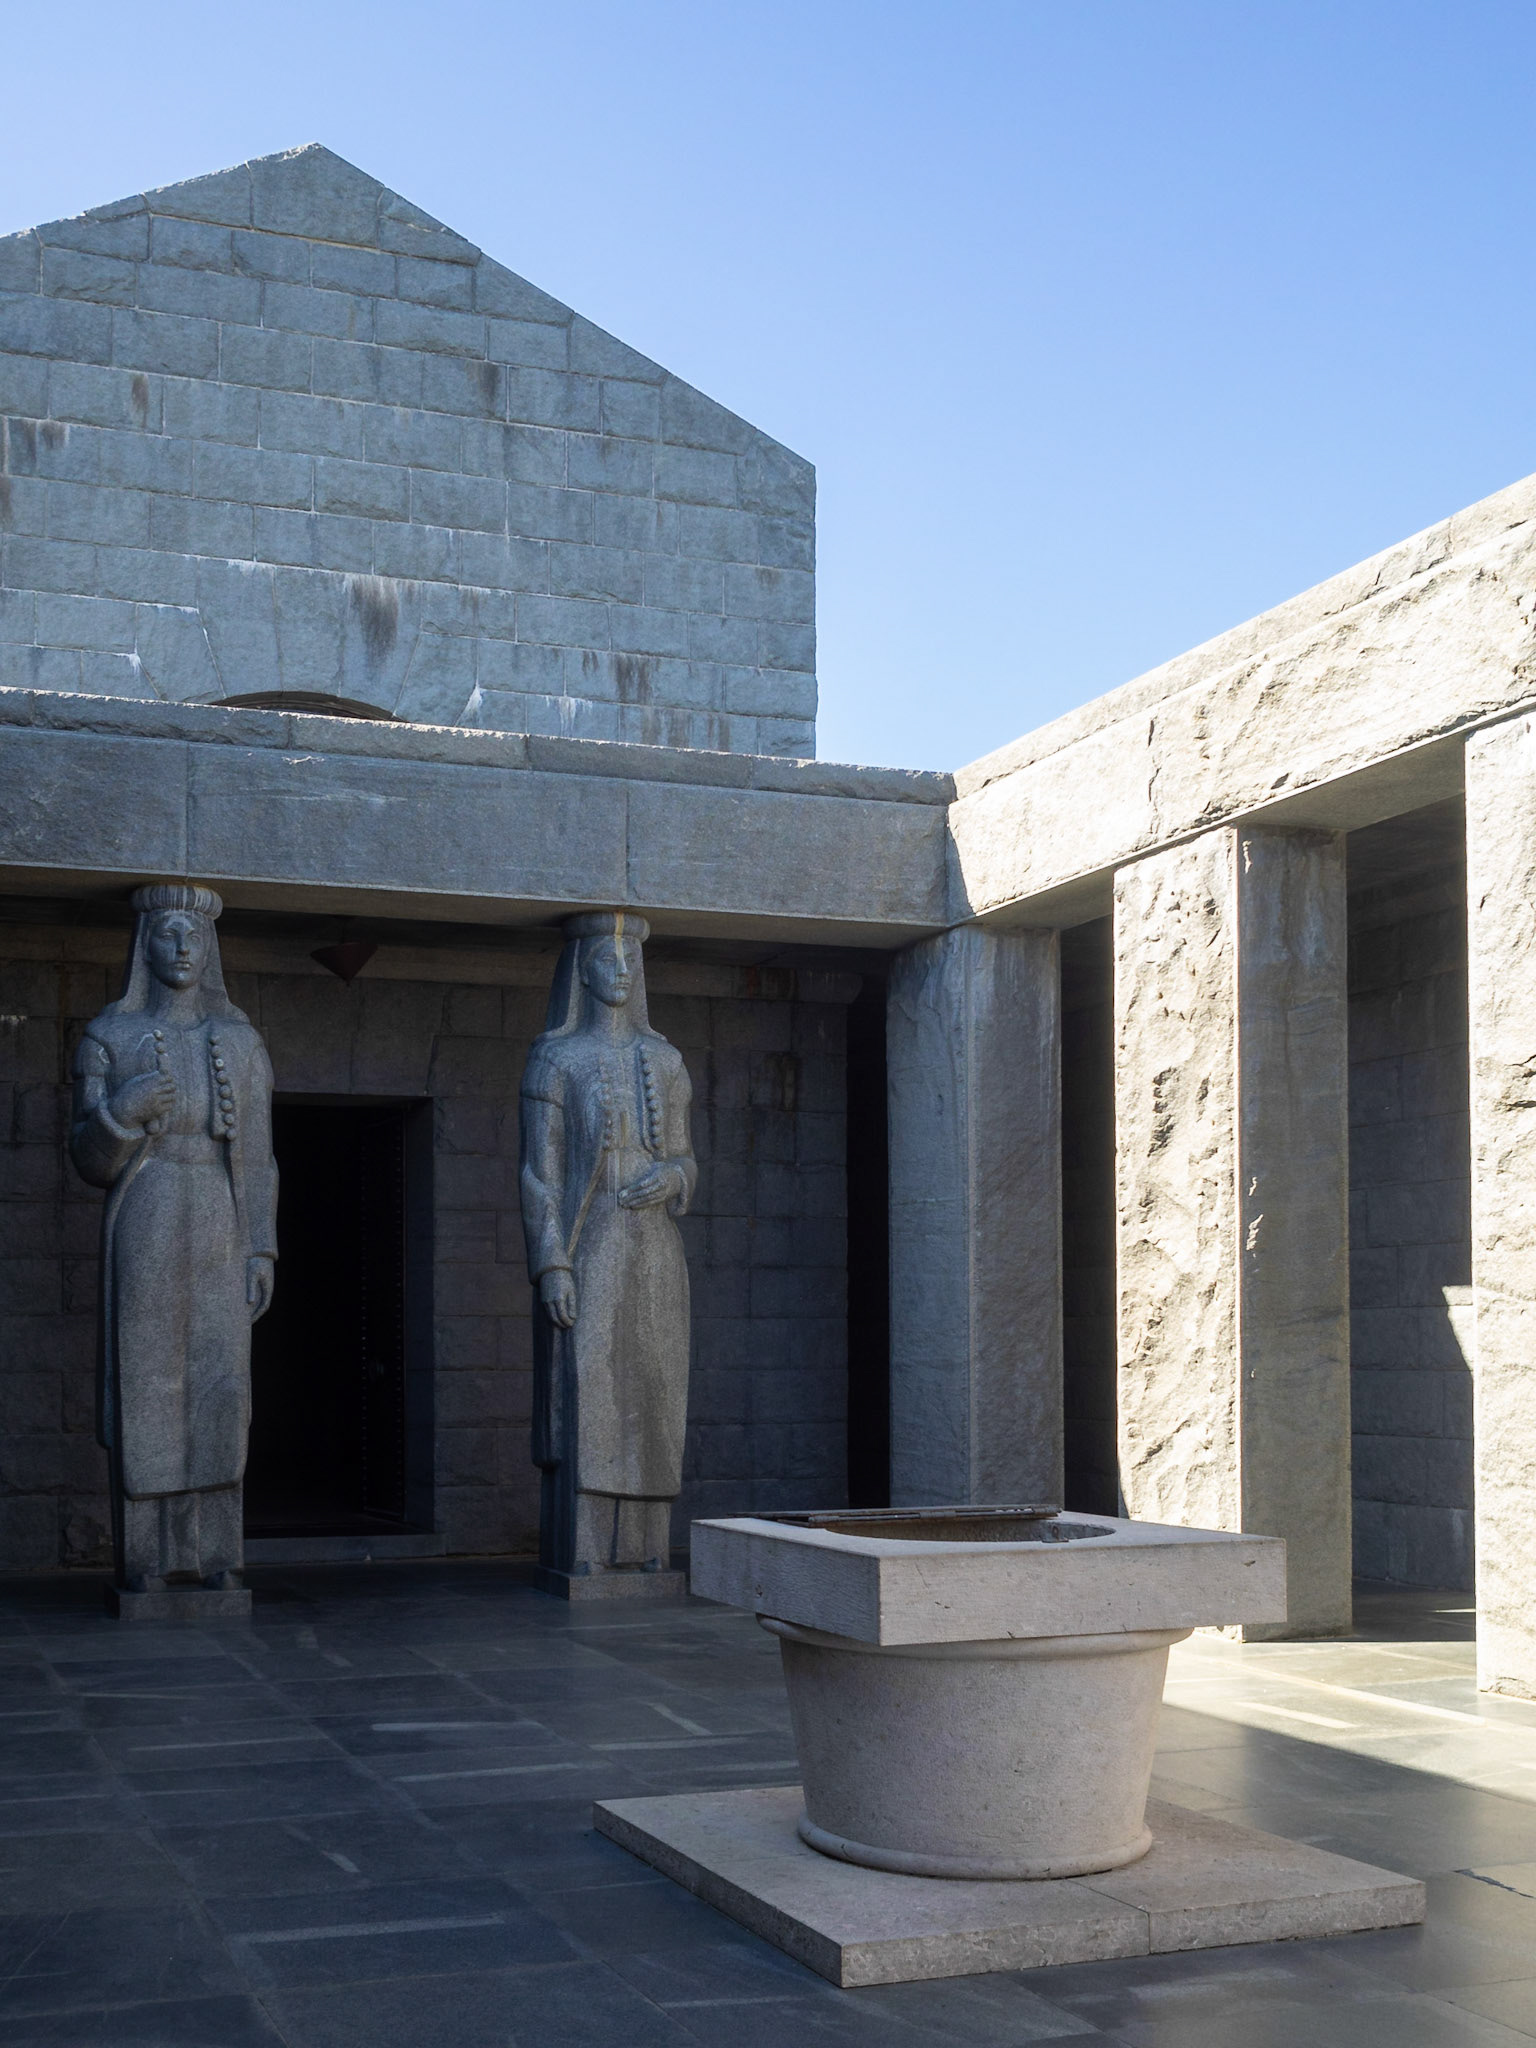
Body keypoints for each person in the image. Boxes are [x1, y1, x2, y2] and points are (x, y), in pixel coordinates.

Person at [71, 883, 277, 1598]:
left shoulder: (241, 1042)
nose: (183, 945)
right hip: (149, 1205)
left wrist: (260, 1248)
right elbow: (88, 1158)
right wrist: (122, 1114)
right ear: (144, 947)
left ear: (209, 948)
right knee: (150, 1382)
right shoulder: (109, 1037)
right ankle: (146, 1562)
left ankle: (217, 1554)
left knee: (220, 1383)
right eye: (167, 932)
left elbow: (259, 1155)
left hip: (219, 1210)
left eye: (194, 933)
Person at [520, 912, 695, 1581]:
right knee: (592, 1392)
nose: (620, 971)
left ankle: (649, 1545)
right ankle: (587, 1547)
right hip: (590, 1242)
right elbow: (540, 1172)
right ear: (582, 973)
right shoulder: (556, 1060)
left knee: (653, 1390)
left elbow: (685, 1158)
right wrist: (551, 1263)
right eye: (606, 959)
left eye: (630, 961)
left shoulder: (666, 1061)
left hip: (655, 1246)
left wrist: (675, 1177)